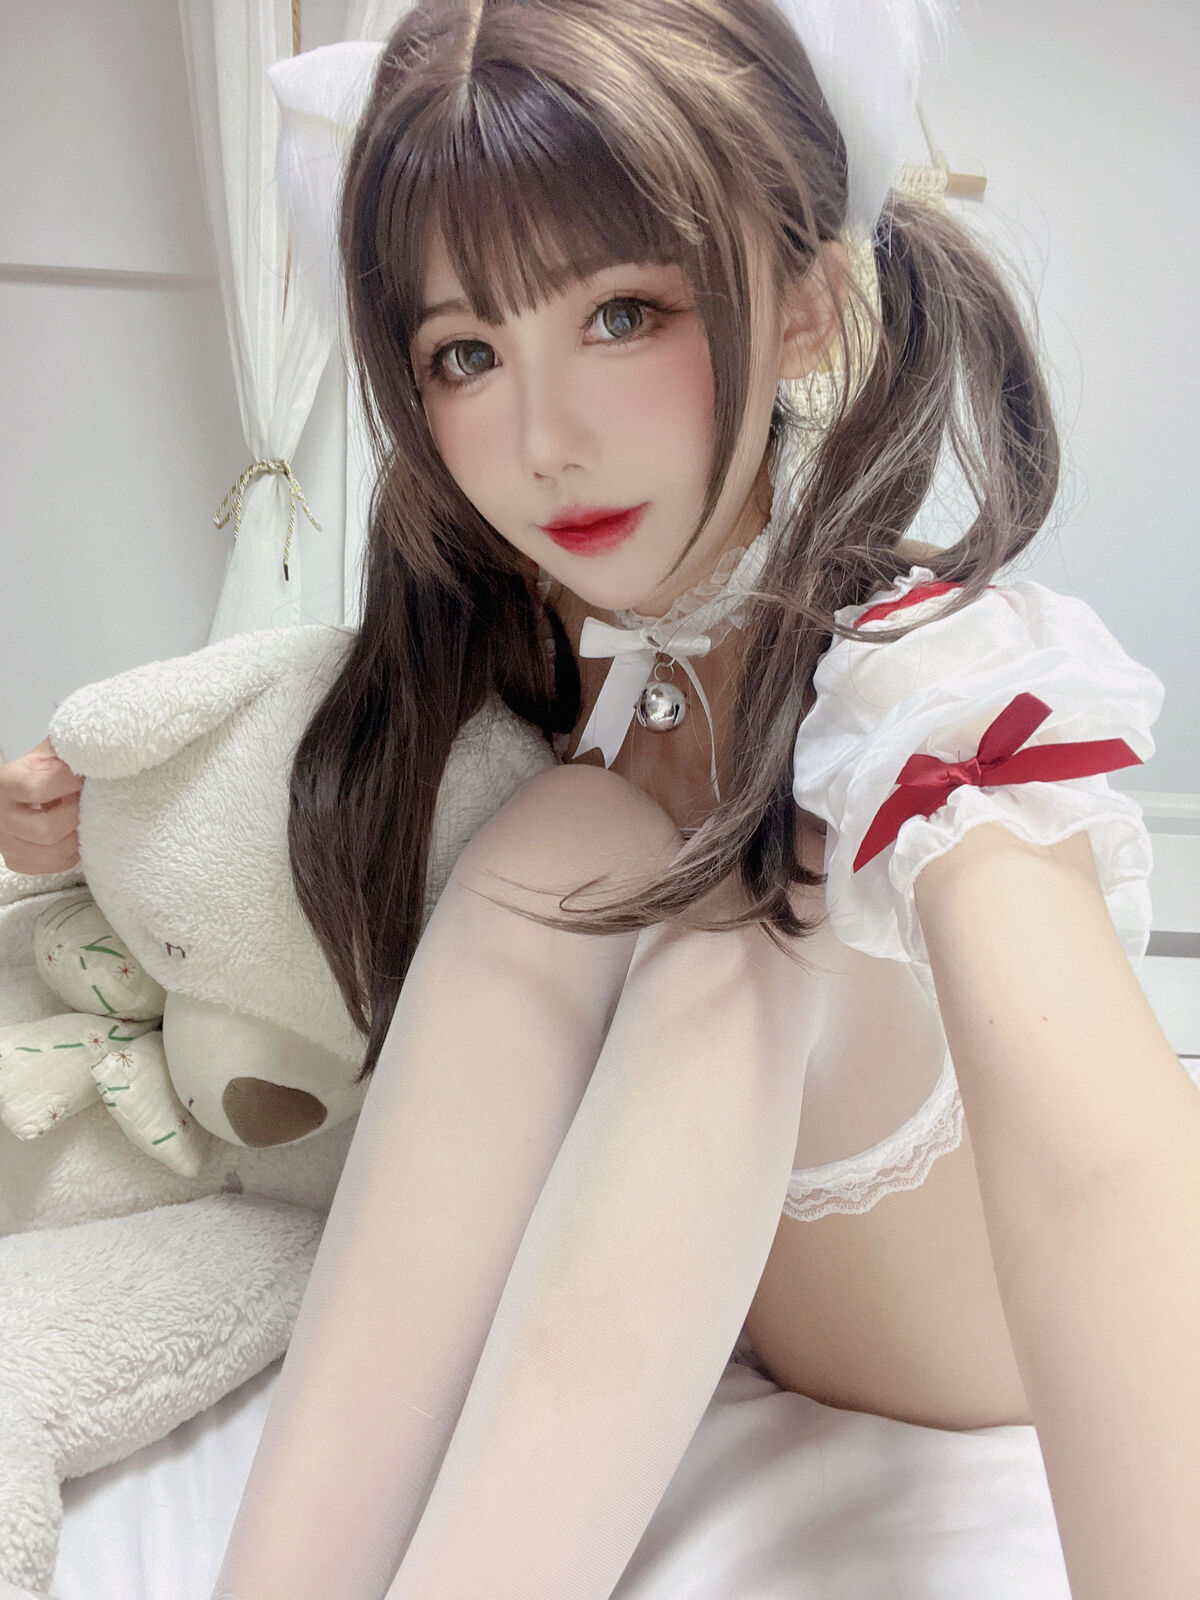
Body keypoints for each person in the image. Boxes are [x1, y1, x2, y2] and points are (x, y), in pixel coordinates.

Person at [2, 1, 1197, 1595]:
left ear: (807, 305)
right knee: (580, 835)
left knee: (734, 929)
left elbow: (1104, 1177)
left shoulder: (927, 673)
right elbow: (281, 758)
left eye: (624, 313)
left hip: (964, 1321)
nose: (544, 440)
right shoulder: (562, 647)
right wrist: (89, 816)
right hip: (767, 1273)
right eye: (467, 354)